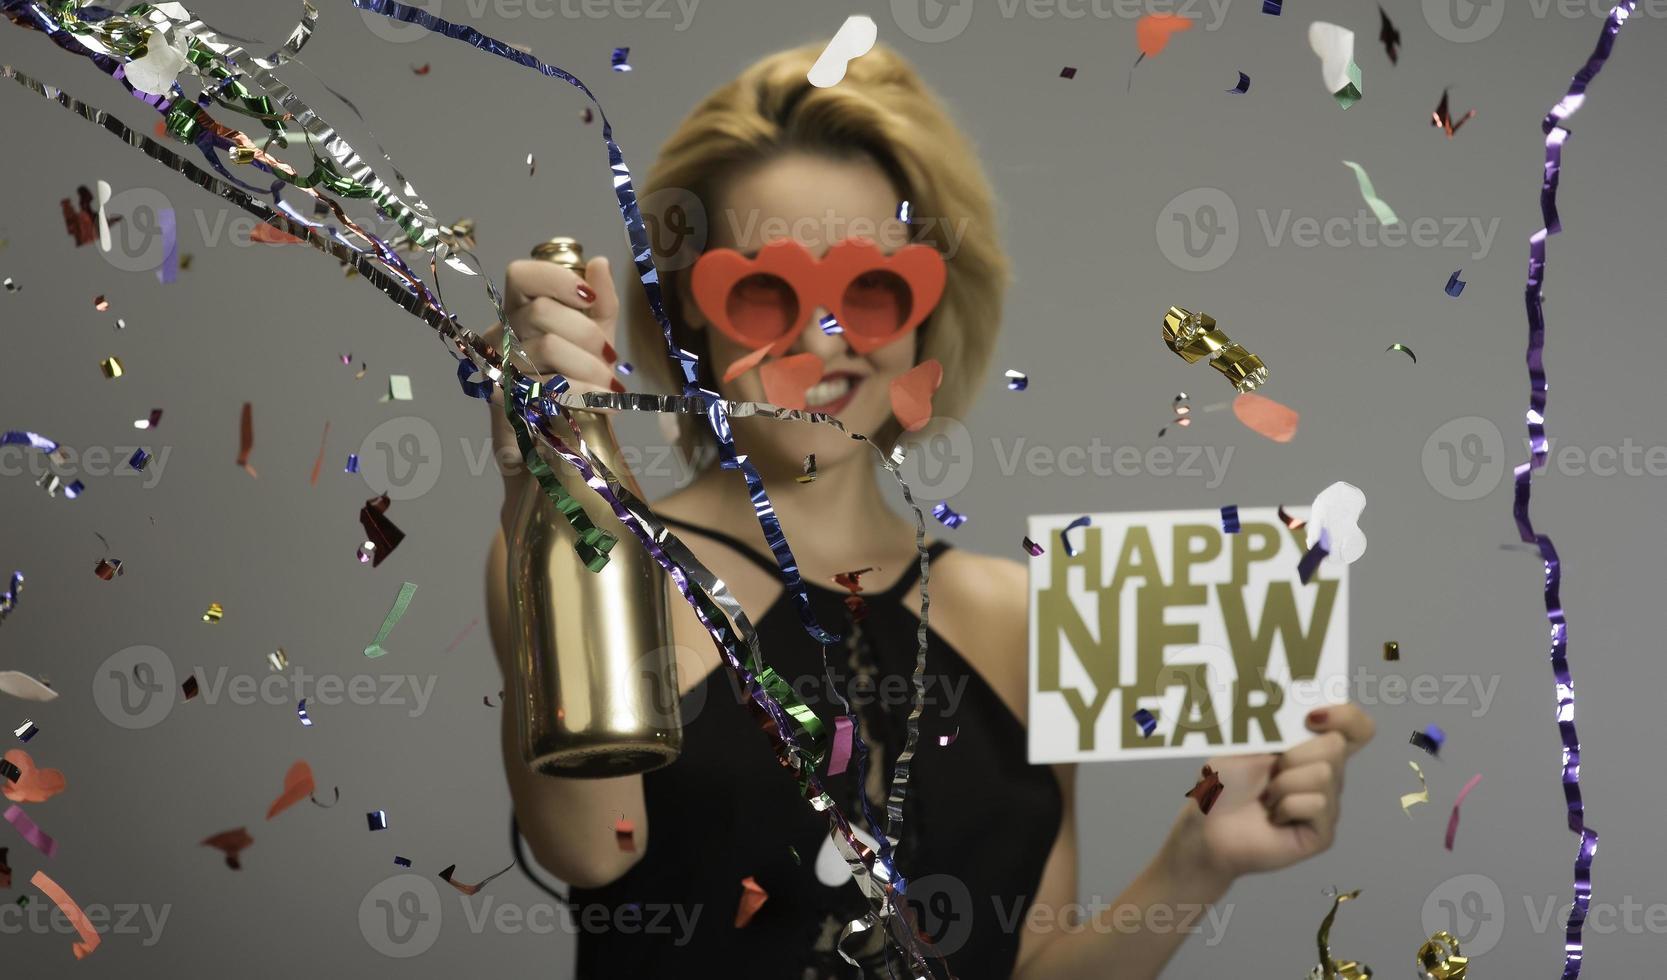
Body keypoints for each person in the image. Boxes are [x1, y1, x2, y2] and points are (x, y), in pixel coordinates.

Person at [484, 41, 1375, 980]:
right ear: (688, 316)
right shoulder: (600, 563)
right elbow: (591, 849)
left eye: (868, 289)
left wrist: (1197, 862)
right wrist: (546, 474)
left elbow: (1027, 966)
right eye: (763, 292)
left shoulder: (1028, 616)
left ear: (923, 313)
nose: (822, 340)